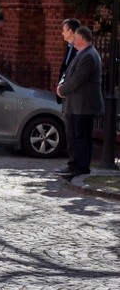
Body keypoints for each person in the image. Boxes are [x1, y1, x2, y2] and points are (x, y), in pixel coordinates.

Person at [56, 25, 104, 181]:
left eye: (75, 37)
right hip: (74, 104)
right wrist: (61, 84)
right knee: (73, 137)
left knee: (81, 137)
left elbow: (77, 80)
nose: (73, 40)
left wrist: (62, 90)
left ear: (81, 38)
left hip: (83, 105)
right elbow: (68, 73)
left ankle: (81, 169)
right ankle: (74, 165)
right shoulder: (81, 54)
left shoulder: (89, 56)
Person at [57, 18, 81, 105]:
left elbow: (75, 75)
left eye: (64, 30)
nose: (62, 33)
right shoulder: (69, 47)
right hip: (66, 96)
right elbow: (65, 70)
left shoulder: (80, 49)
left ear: (70, 32)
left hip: (74, 98)